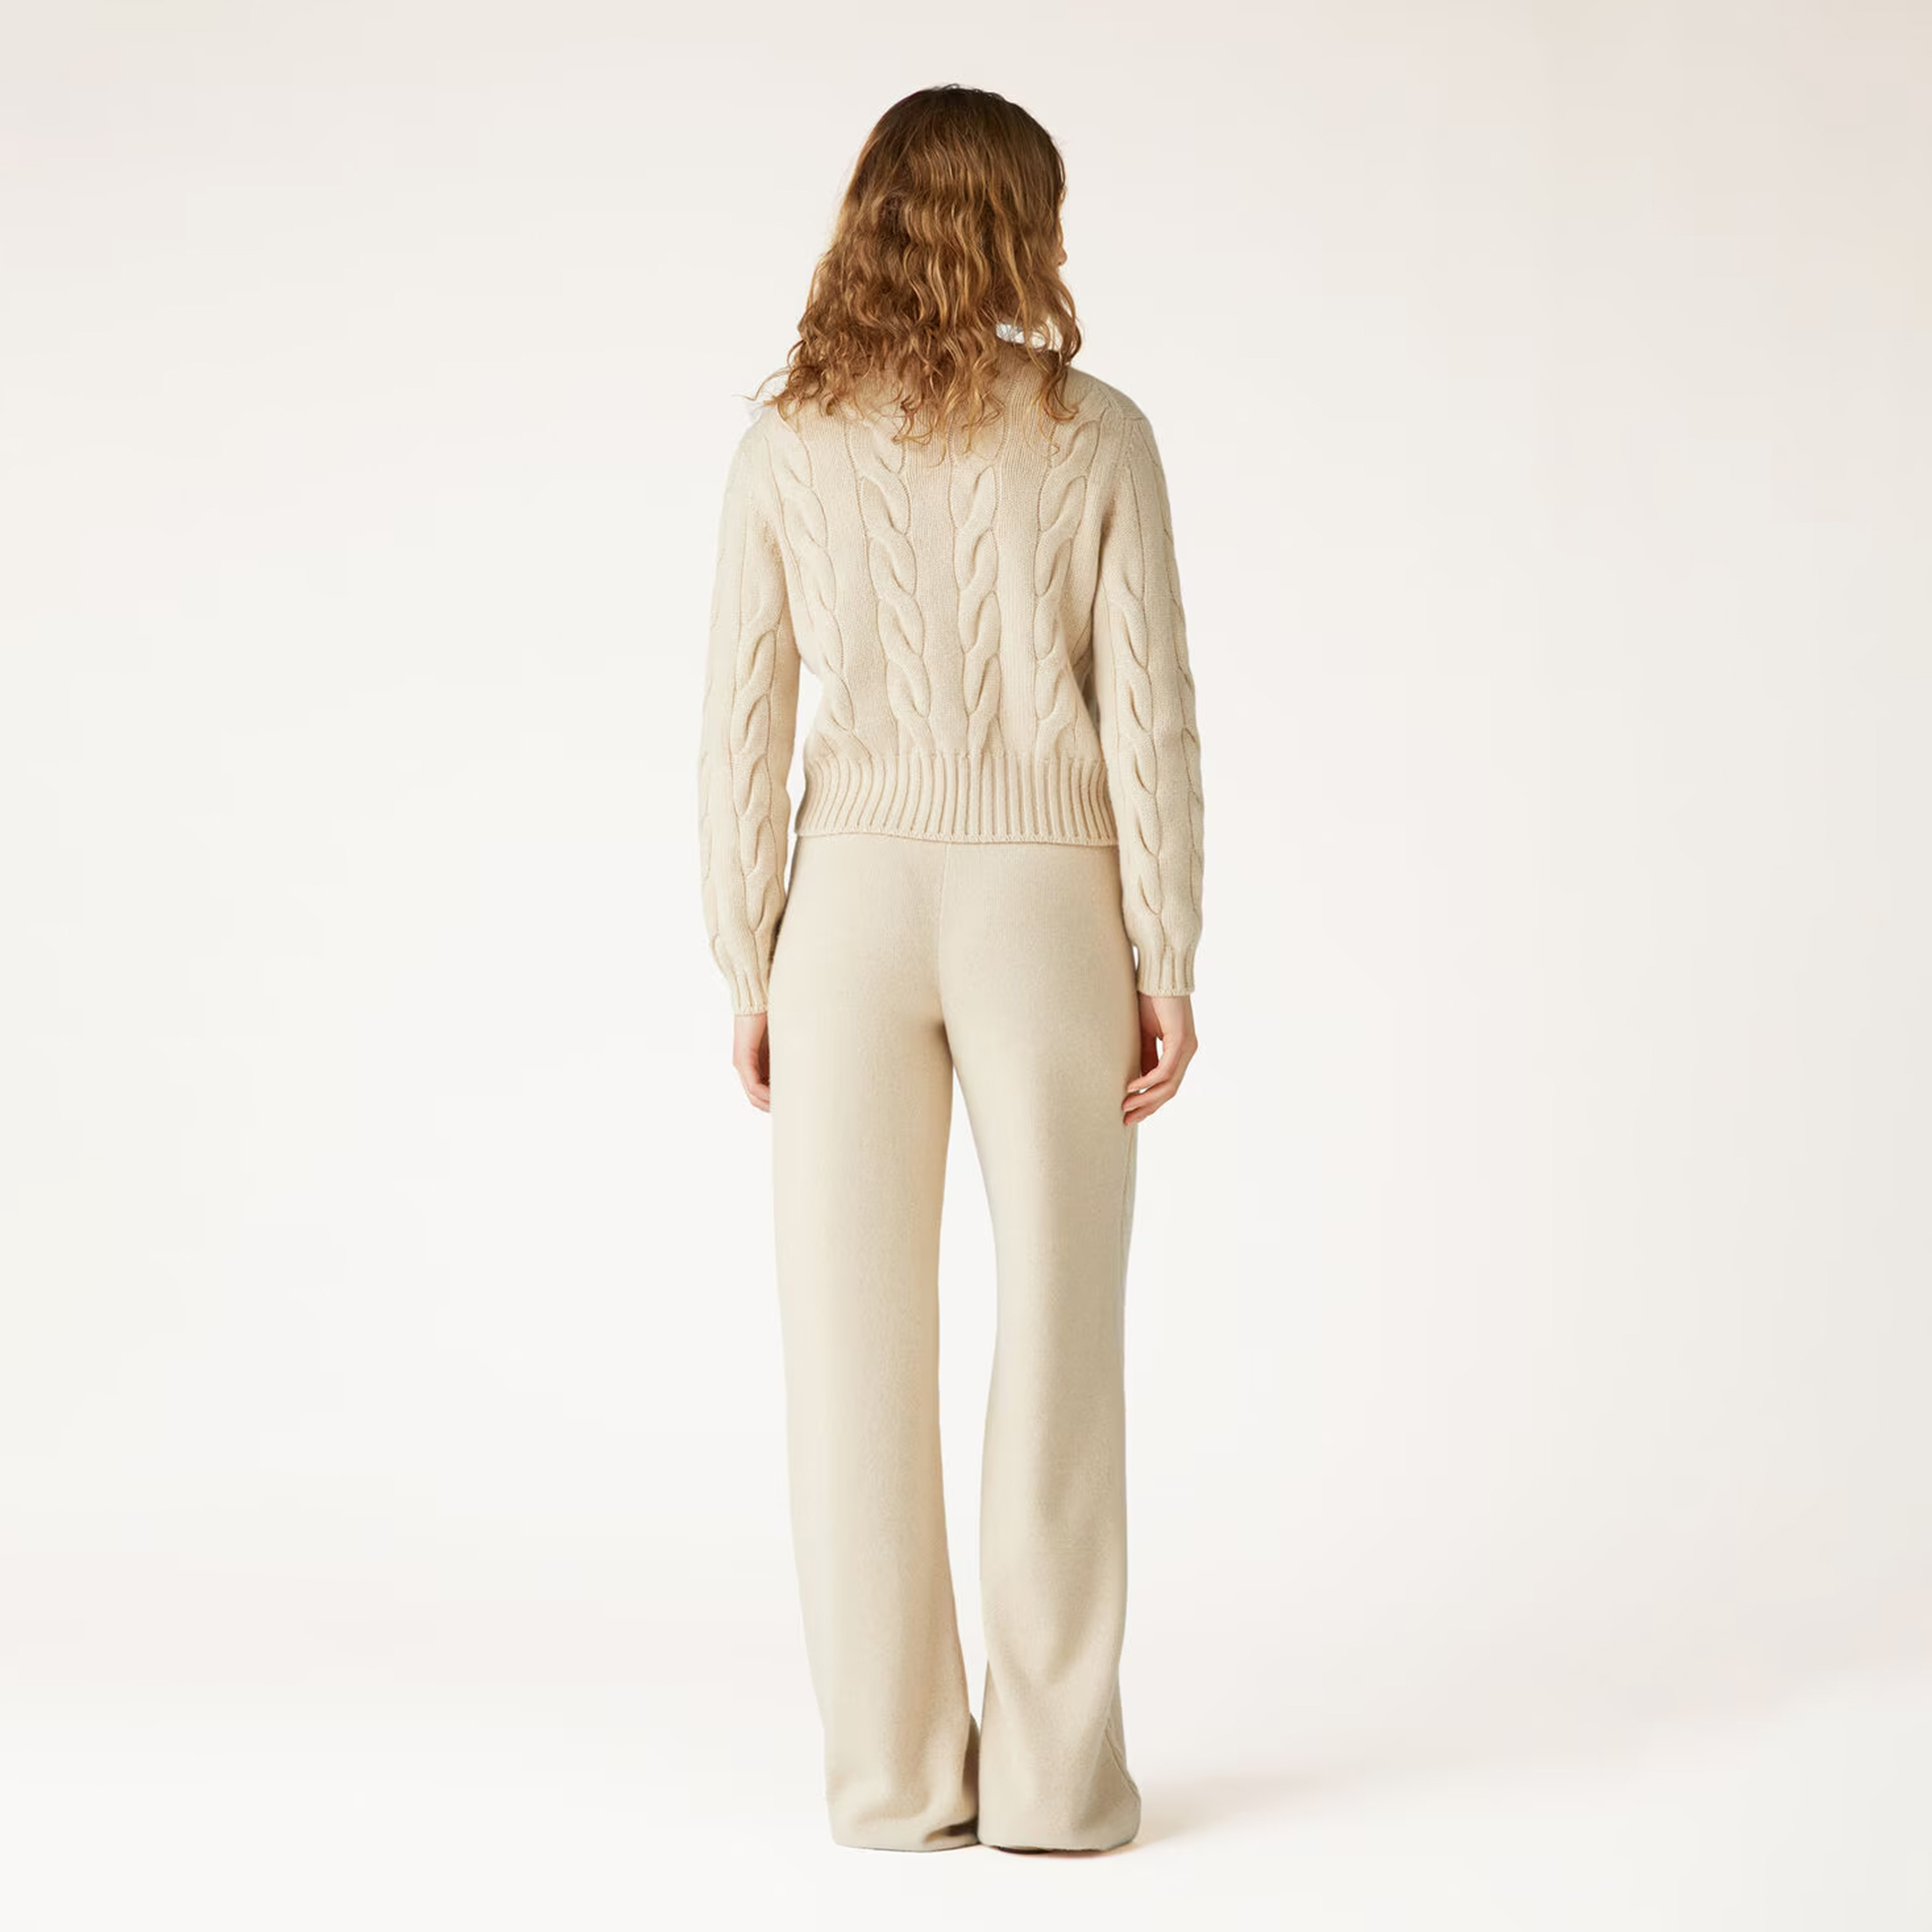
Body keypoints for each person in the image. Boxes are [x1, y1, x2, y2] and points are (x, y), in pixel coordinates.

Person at [696, 83, 1205, 1854]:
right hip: (1048, 904)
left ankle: (896, 1779)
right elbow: (1148, 713)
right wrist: (1165, 948)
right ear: (1022, 228)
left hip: (841, 913)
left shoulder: (787, 443)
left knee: (847, 1352)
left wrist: (745, 956)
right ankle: (1055, 1786)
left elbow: (740, 723)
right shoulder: (1098, 435)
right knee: (1058, 1334)